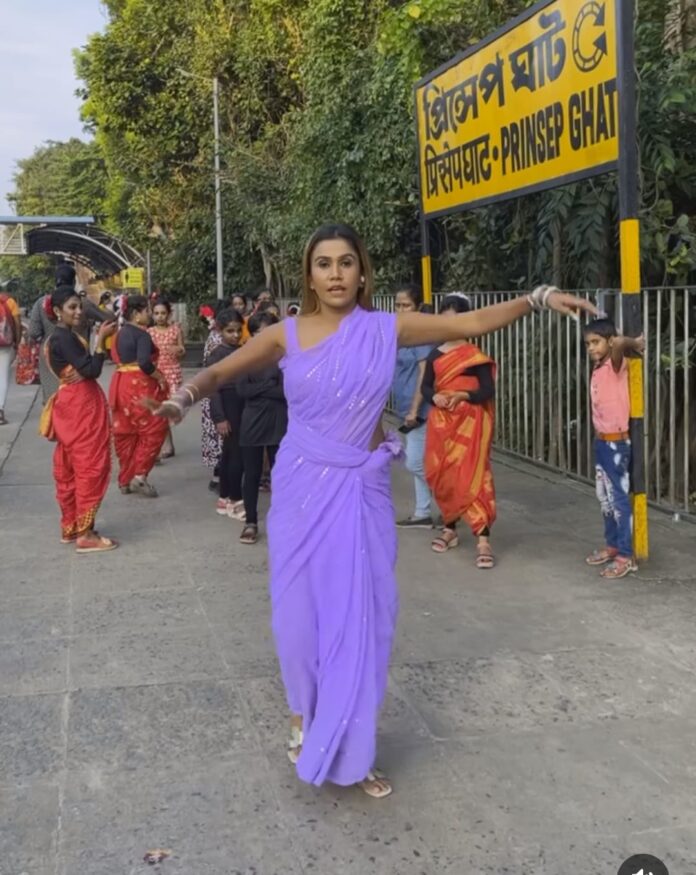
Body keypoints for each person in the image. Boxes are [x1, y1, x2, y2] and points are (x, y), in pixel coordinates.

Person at [149, 224, 594, 798]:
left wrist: (536, 297)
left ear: (362, 272)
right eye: (324, 264)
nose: (336, 274)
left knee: (360, 615)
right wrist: (180, 400)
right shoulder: (286, 334)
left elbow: (469, 324)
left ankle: (352, 748)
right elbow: (216, 373)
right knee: (298, 617)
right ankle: (303, 715)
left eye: (346, 263)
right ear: (309, 274)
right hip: (302, 486)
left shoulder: (389, 328)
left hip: (361, 492)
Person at [422, 293, 497, 569]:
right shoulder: (434, 354)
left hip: (470, 424)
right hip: (442, 424)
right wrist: (436, 398)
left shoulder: (475, 356)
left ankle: (483, 539)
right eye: (445, 319)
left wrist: (463, 395)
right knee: (445, 476)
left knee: (474, 475)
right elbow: (426, 388)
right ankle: (450, 528)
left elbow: (487, 390)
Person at [41, 285, 118, 552]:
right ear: (57, 311)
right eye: (71, 307)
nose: (77, 311)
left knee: (72, 467)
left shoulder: (60, 337)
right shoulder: (64, 338)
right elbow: (93, 370)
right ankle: (85, 535)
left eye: (78, 306)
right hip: (80, 410)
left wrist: (85, 367)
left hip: (72, 406)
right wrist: (100, 343)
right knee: (88, 467)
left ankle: (72, 527)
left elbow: (85, 370)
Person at [583, 318, 644, 580]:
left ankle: (626, 555)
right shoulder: (599, 367)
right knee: (604, 497)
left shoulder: (616, 364)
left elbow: (619, 342)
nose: (590, 348)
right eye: (587, 344)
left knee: (619, 500)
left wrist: (636, 343)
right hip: (602, 442)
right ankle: (613, 545)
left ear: (608, 342)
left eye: (595, 342)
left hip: (617, 443)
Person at [236, 311, 288, 545]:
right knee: (252, 474)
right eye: (258, 333)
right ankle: (251, 522)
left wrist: (261, 388)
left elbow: (286, 392)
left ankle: (283, 522)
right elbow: (241, 391)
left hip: (279, 420)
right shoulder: (245, 357)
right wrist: (269, 385)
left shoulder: (285, 357)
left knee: (281, 474)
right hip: (252, 421)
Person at [109, 295, 169, 497]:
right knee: (154, 428)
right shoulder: (142, 335)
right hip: (139, 386)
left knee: (126, 433)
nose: (150, 315)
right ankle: (140, 476)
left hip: (121, 385)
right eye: (147, 311)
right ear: (136, 314)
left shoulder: (119, 334)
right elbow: (144, 362)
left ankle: (124, 480)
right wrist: (159, 376)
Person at [392, 283, 434, 528]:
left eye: (406, 305)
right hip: (406, 406)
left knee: (415, 462)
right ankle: (422, 512)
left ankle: (453, 502)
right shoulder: (401, 334)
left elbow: (423, 373)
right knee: (418, 459)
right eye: (398, 305)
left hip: (421, 409)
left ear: (417, 307)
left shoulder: (419, 334)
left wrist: (415, 410)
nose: (400, 309)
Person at [207, 308, 246, 520]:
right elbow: (212, 389)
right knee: (235, 455)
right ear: (220, 331)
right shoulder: (216, 355)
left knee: (231, 454)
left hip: (241, 403)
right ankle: (234, 499)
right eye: (230, 331)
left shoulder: (241, 350)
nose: (236, 335)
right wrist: (219, 417)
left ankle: (224, 496)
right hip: (227, 404)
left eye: (238, 330)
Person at [148, 297, 185, 459]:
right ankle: (165, 445)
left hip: (173, 374)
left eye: (163, 313)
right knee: (159, 410)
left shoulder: (175, 330)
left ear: (169, 314)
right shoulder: (149, 332)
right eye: (156, 313)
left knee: (171, 410)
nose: (160, 316)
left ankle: (165, 445)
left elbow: (183, 350)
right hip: (157, 374)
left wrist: (178, 350)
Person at [200, 304, 224, 491]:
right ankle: (219, 476)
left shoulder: (217, 336)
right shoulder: (217, 339)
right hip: (217, 391)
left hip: (215, 389)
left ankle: (220, 474)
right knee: (219, 434)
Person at [0, 290, 21, 424]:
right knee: (2, 376)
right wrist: (17, 342)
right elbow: (17, 323)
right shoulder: (9, 301)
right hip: (5, 344)